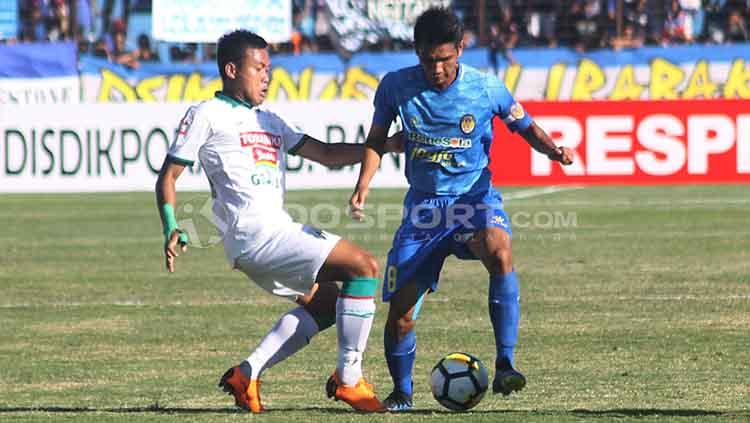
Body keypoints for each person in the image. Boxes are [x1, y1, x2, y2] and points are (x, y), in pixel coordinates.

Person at [155, 29, 400, 414]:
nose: (267, 76)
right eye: (259, 68)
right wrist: (172, 225)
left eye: (269, 68)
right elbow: (168, 176)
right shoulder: (206, 114)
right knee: (364, 267)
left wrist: (385, 145)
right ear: (232, 69)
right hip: (256, 234)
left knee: (328, 304)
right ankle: (350, 381)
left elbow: (327, 153)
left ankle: (247, 374)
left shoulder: (270, 120)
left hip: (270, 234)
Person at [349, 7, 574, 411]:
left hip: (474, 200)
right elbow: (376, 139)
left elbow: (525, 127)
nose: (436, 69)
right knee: (400, 314)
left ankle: (506, 361)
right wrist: (362, 185)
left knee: (499, 247)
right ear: (417, 52)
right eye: (428, 59)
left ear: (460, 49)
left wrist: (554, 151)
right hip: (424, 212)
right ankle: (402, 393)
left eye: (444, 59)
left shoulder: (486, 88)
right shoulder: (396, 87)